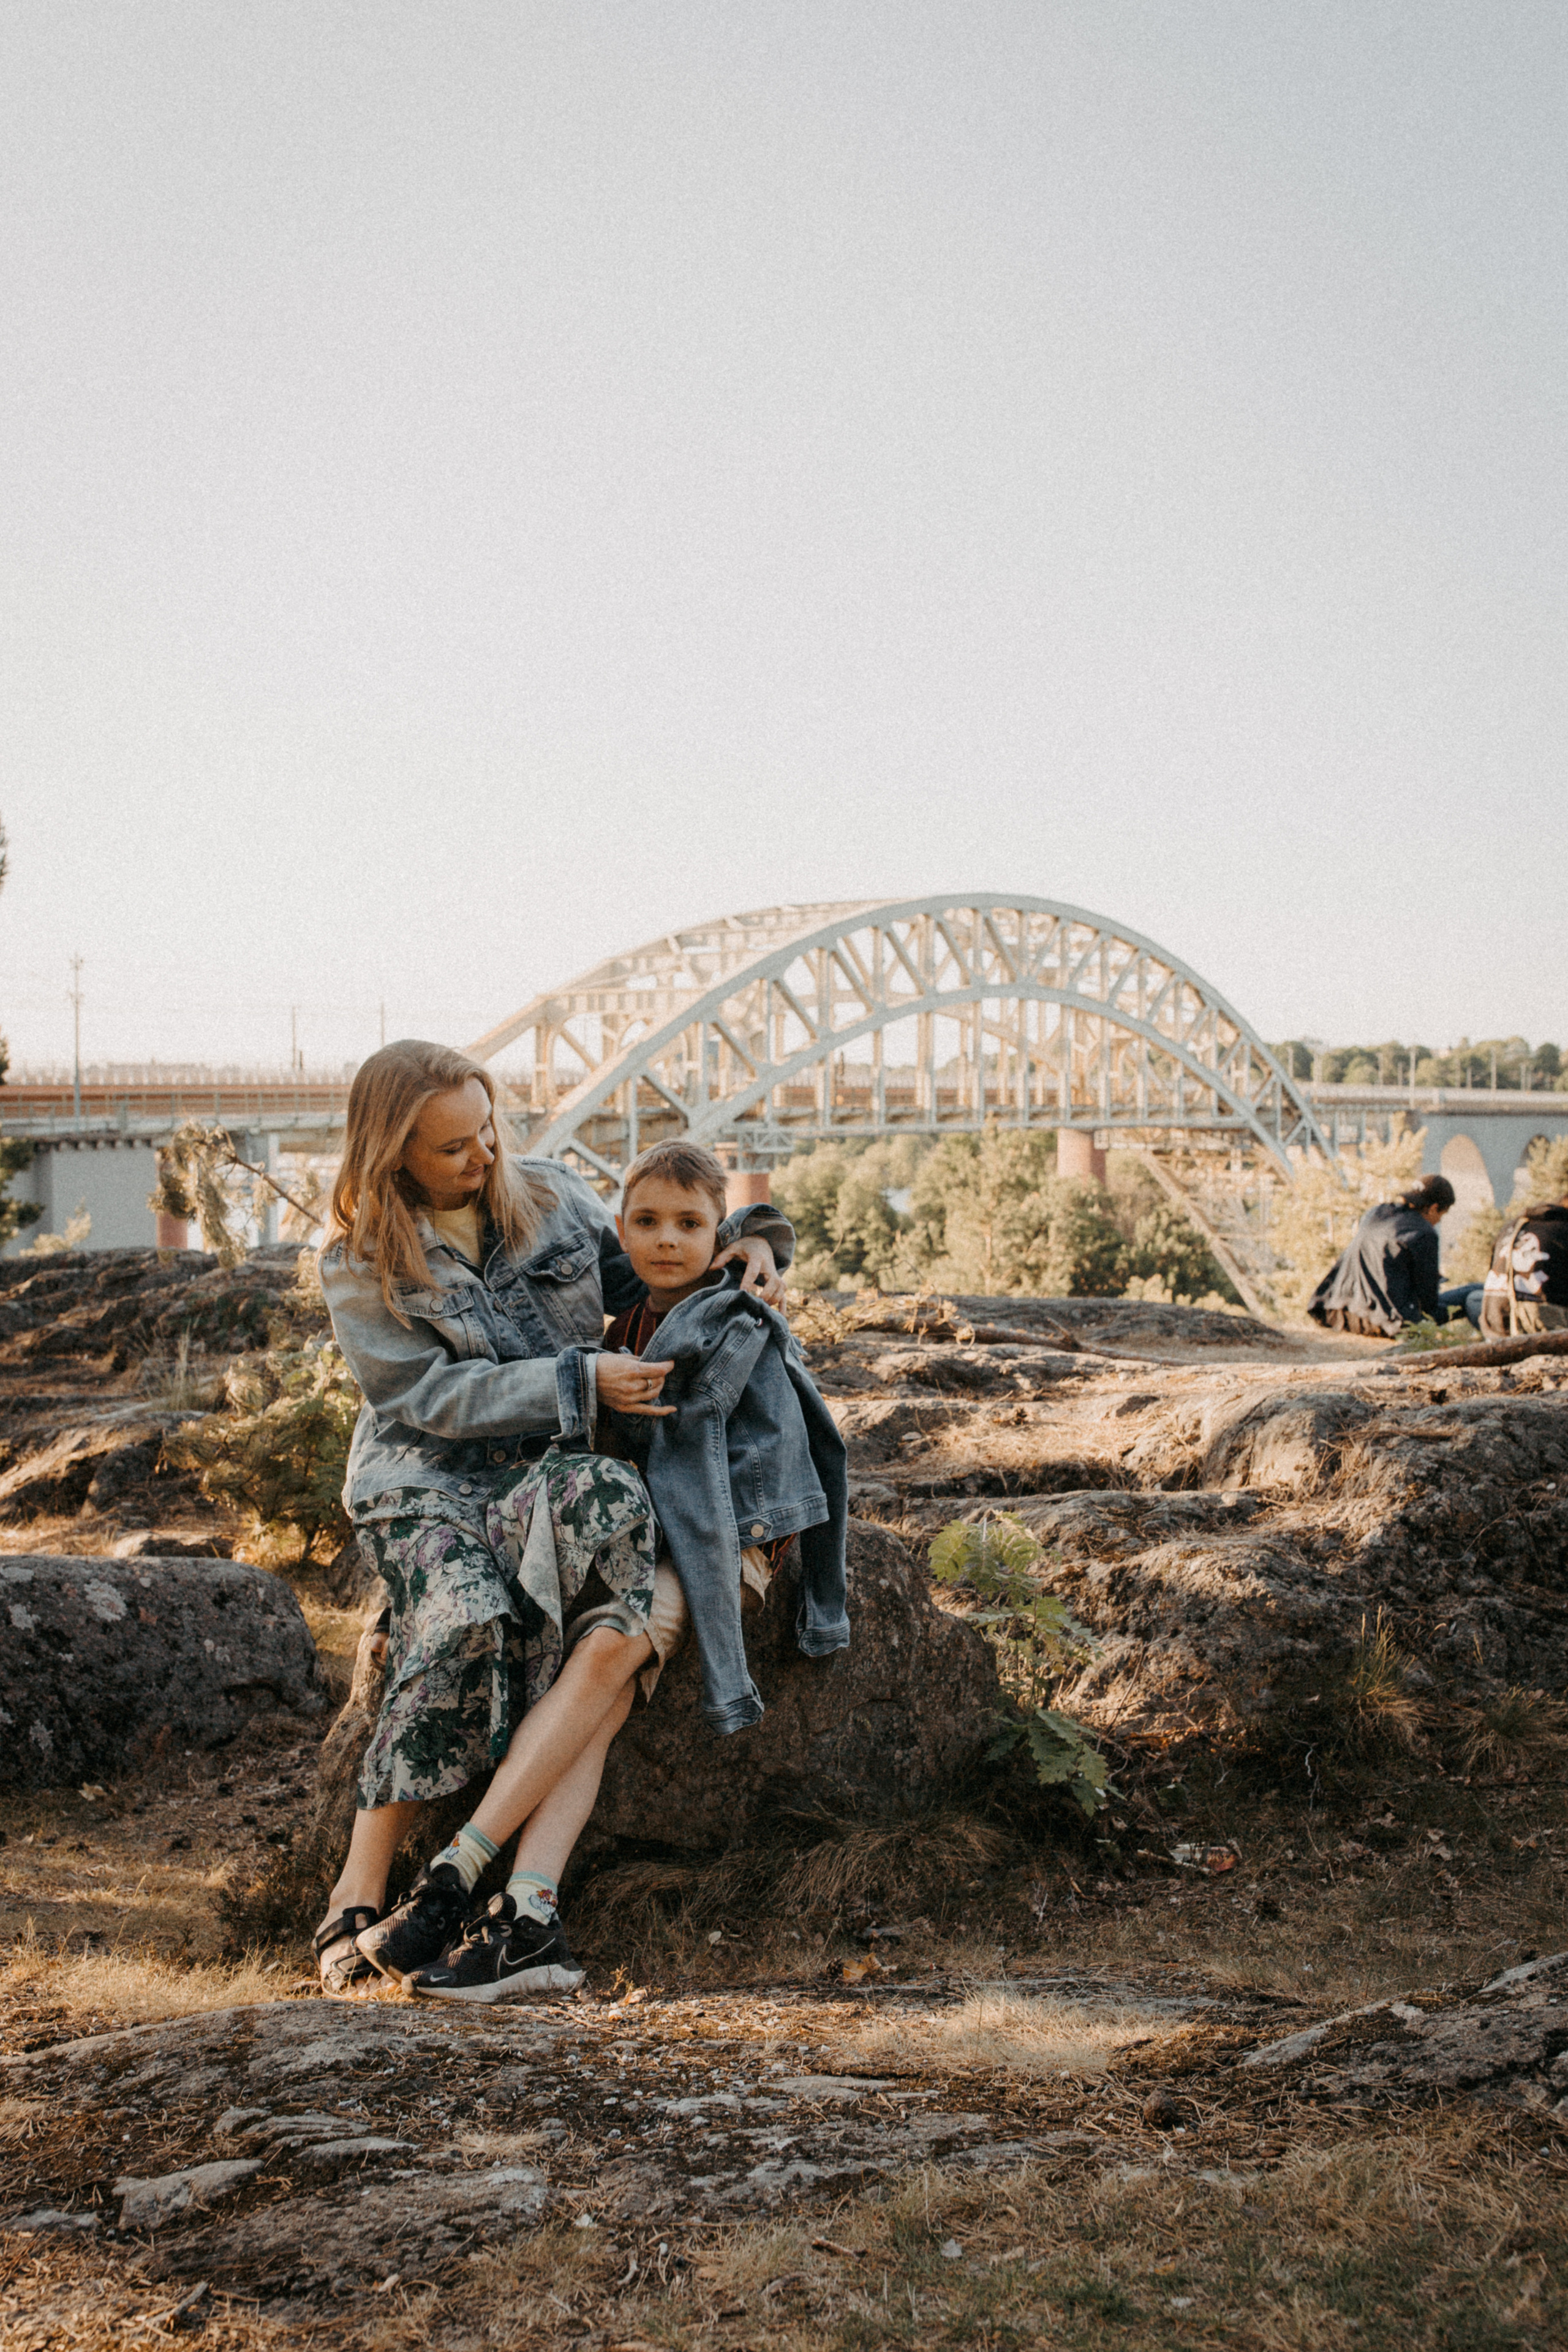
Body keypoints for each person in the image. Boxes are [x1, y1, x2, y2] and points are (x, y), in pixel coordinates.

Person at [311, 1039, 792, 2001]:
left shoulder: (553, 1196)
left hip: (548, 1463)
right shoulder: (359, 1263)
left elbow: (659, 1262)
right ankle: (358, 1886)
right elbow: (428, 1398)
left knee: (611, 1517)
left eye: (488, 1129)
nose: (484, 1155)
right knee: (460, 1616)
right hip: (429, 1474)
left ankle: (505, 1897)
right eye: (454, 1147)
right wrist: (578, 1379)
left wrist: (758, 1237)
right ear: (394, 1154)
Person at [1306, 1174, 1476, 1338]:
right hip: (1390, 1324)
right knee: (1475, 1292)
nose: (1439, 1221)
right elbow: (1428, 1302)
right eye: (1442, 1214)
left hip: (1341, 1314)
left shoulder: (1377, 1213)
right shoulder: (1424, 1233)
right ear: (1433, 1208)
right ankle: (1489, 1338)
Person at [1479, 1192, 1568, 1338]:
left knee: (1473, 1295)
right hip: (1540, 1328)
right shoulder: (1563, 1230)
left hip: (1494, 1325)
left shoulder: (1515, 1224)